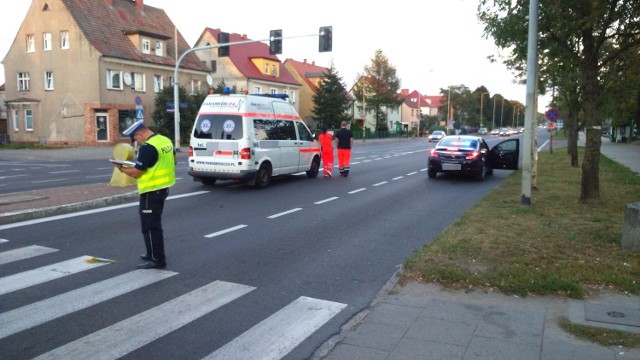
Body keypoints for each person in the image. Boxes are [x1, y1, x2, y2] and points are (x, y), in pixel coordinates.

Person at [115, 120, 176, 269]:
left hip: (150, 191)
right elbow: (173, 160)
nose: (137, 141)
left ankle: (157, 259)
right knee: (153, 224)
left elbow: (137, 172)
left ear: (139, 134)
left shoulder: (148, 148)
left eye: (136, 139)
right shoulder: (164, 140)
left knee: (150, 226)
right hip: (163, 188)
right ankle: (152, 253)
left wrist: (121, 168)